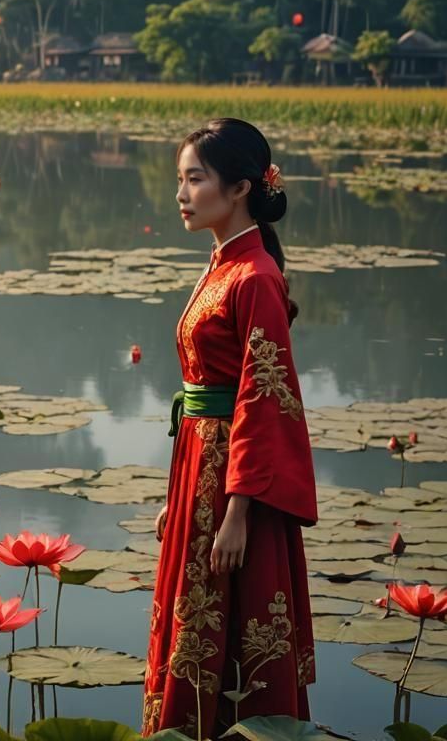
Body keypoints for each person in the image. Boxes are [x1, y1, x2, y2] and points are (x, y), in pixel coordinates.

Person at [142, 118, 318, 738]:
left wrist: (238, 510)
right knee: (194, 617)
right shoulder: (222, 264)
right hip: (199, 465)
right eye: (180, 180)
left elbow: (263, 400)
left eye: (195, 179)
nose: (182, 194)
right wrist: (177, 497)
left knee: (233, 617)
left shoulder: (256, 277)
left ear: (240, 186)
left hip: (236, 479)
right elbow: (200, 396)